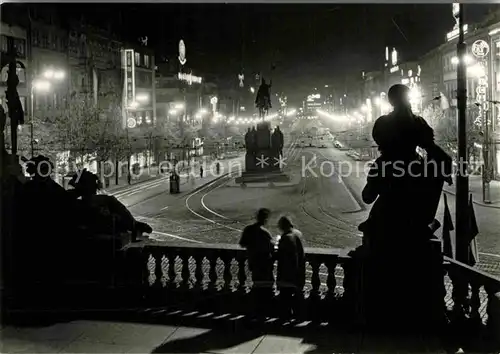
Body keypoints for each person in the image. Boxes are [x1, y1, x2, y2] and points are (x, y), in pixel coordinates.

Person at [69, 169, 152, 239]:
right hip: (97, 230)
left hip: (91, 225)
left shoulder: (78, 199)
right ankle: (134, 225)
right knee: (110, 201)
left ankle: (134, 225)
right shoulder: (99, 201)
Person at [239, 208, 274, 318]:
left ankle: (255, 312)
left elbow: (242, 244)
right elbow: (271, 248)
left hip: (254, 264)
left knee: (257, 287)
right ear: (265, 219)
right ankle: (263, 313)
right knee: (266, 289)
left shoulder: (248, 230)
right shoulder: (265, 233)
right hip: (265, 265)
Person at [275, 216, 305, 320]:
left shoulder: (286, 237)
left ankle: (286, 319)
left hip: (287, 274)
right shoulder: (298, 233)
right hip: (299, 272)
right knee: (296, 298)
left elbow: (283, 256)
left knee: (285, 299)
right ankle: (297, 317)